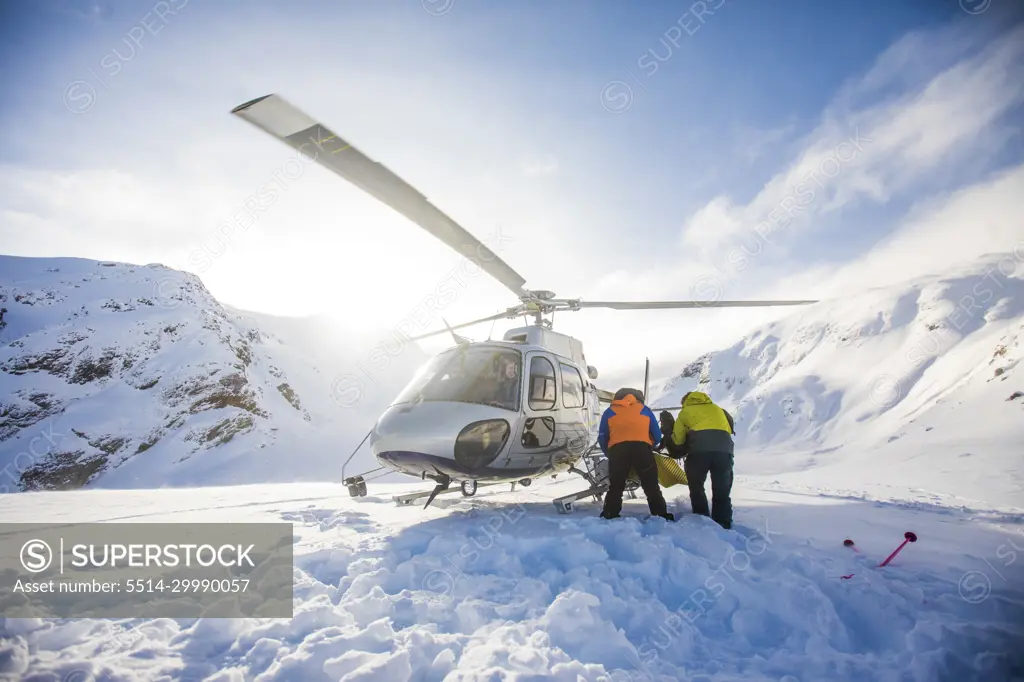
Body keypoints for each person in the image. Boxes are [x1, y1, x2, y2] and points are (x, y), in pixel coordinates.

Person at [597, 388, 673, 521]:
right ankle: (660, 514)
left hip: (618, 450)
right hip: (642, 449)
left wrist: (609, 453)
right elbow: (656, 434)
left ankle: (610, 513)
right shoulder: (644, 410)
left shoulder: (610, 411)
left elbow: (603, 436)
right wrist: (650, 445)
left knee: (616, 485)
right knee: (651, 485)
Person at [671, 391, 736, 529]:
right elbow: (730, 428)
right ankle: (723, 521)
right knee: (722, 488)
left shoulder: (685, 412)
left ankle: (701, 518)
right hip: (724, 452)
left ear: (685, 402)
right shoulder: (719, 409)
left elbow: (678, 440)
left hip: (698, 453)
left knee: (696, 486)